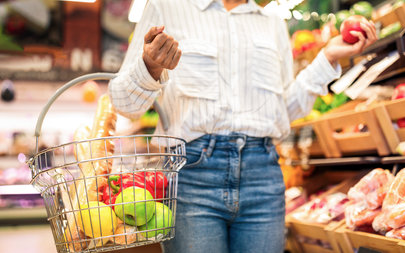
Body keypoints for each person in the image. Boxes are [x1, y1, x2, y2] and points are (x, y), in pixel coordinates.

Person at [108, 0, 377, 252]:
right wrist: (150, 67)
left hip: (263, 176)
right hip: (192, 178)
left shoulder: (272, 21)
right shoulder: (167, 7)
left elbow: (282, 113)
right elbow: (125, 105)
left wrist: (328, 57)